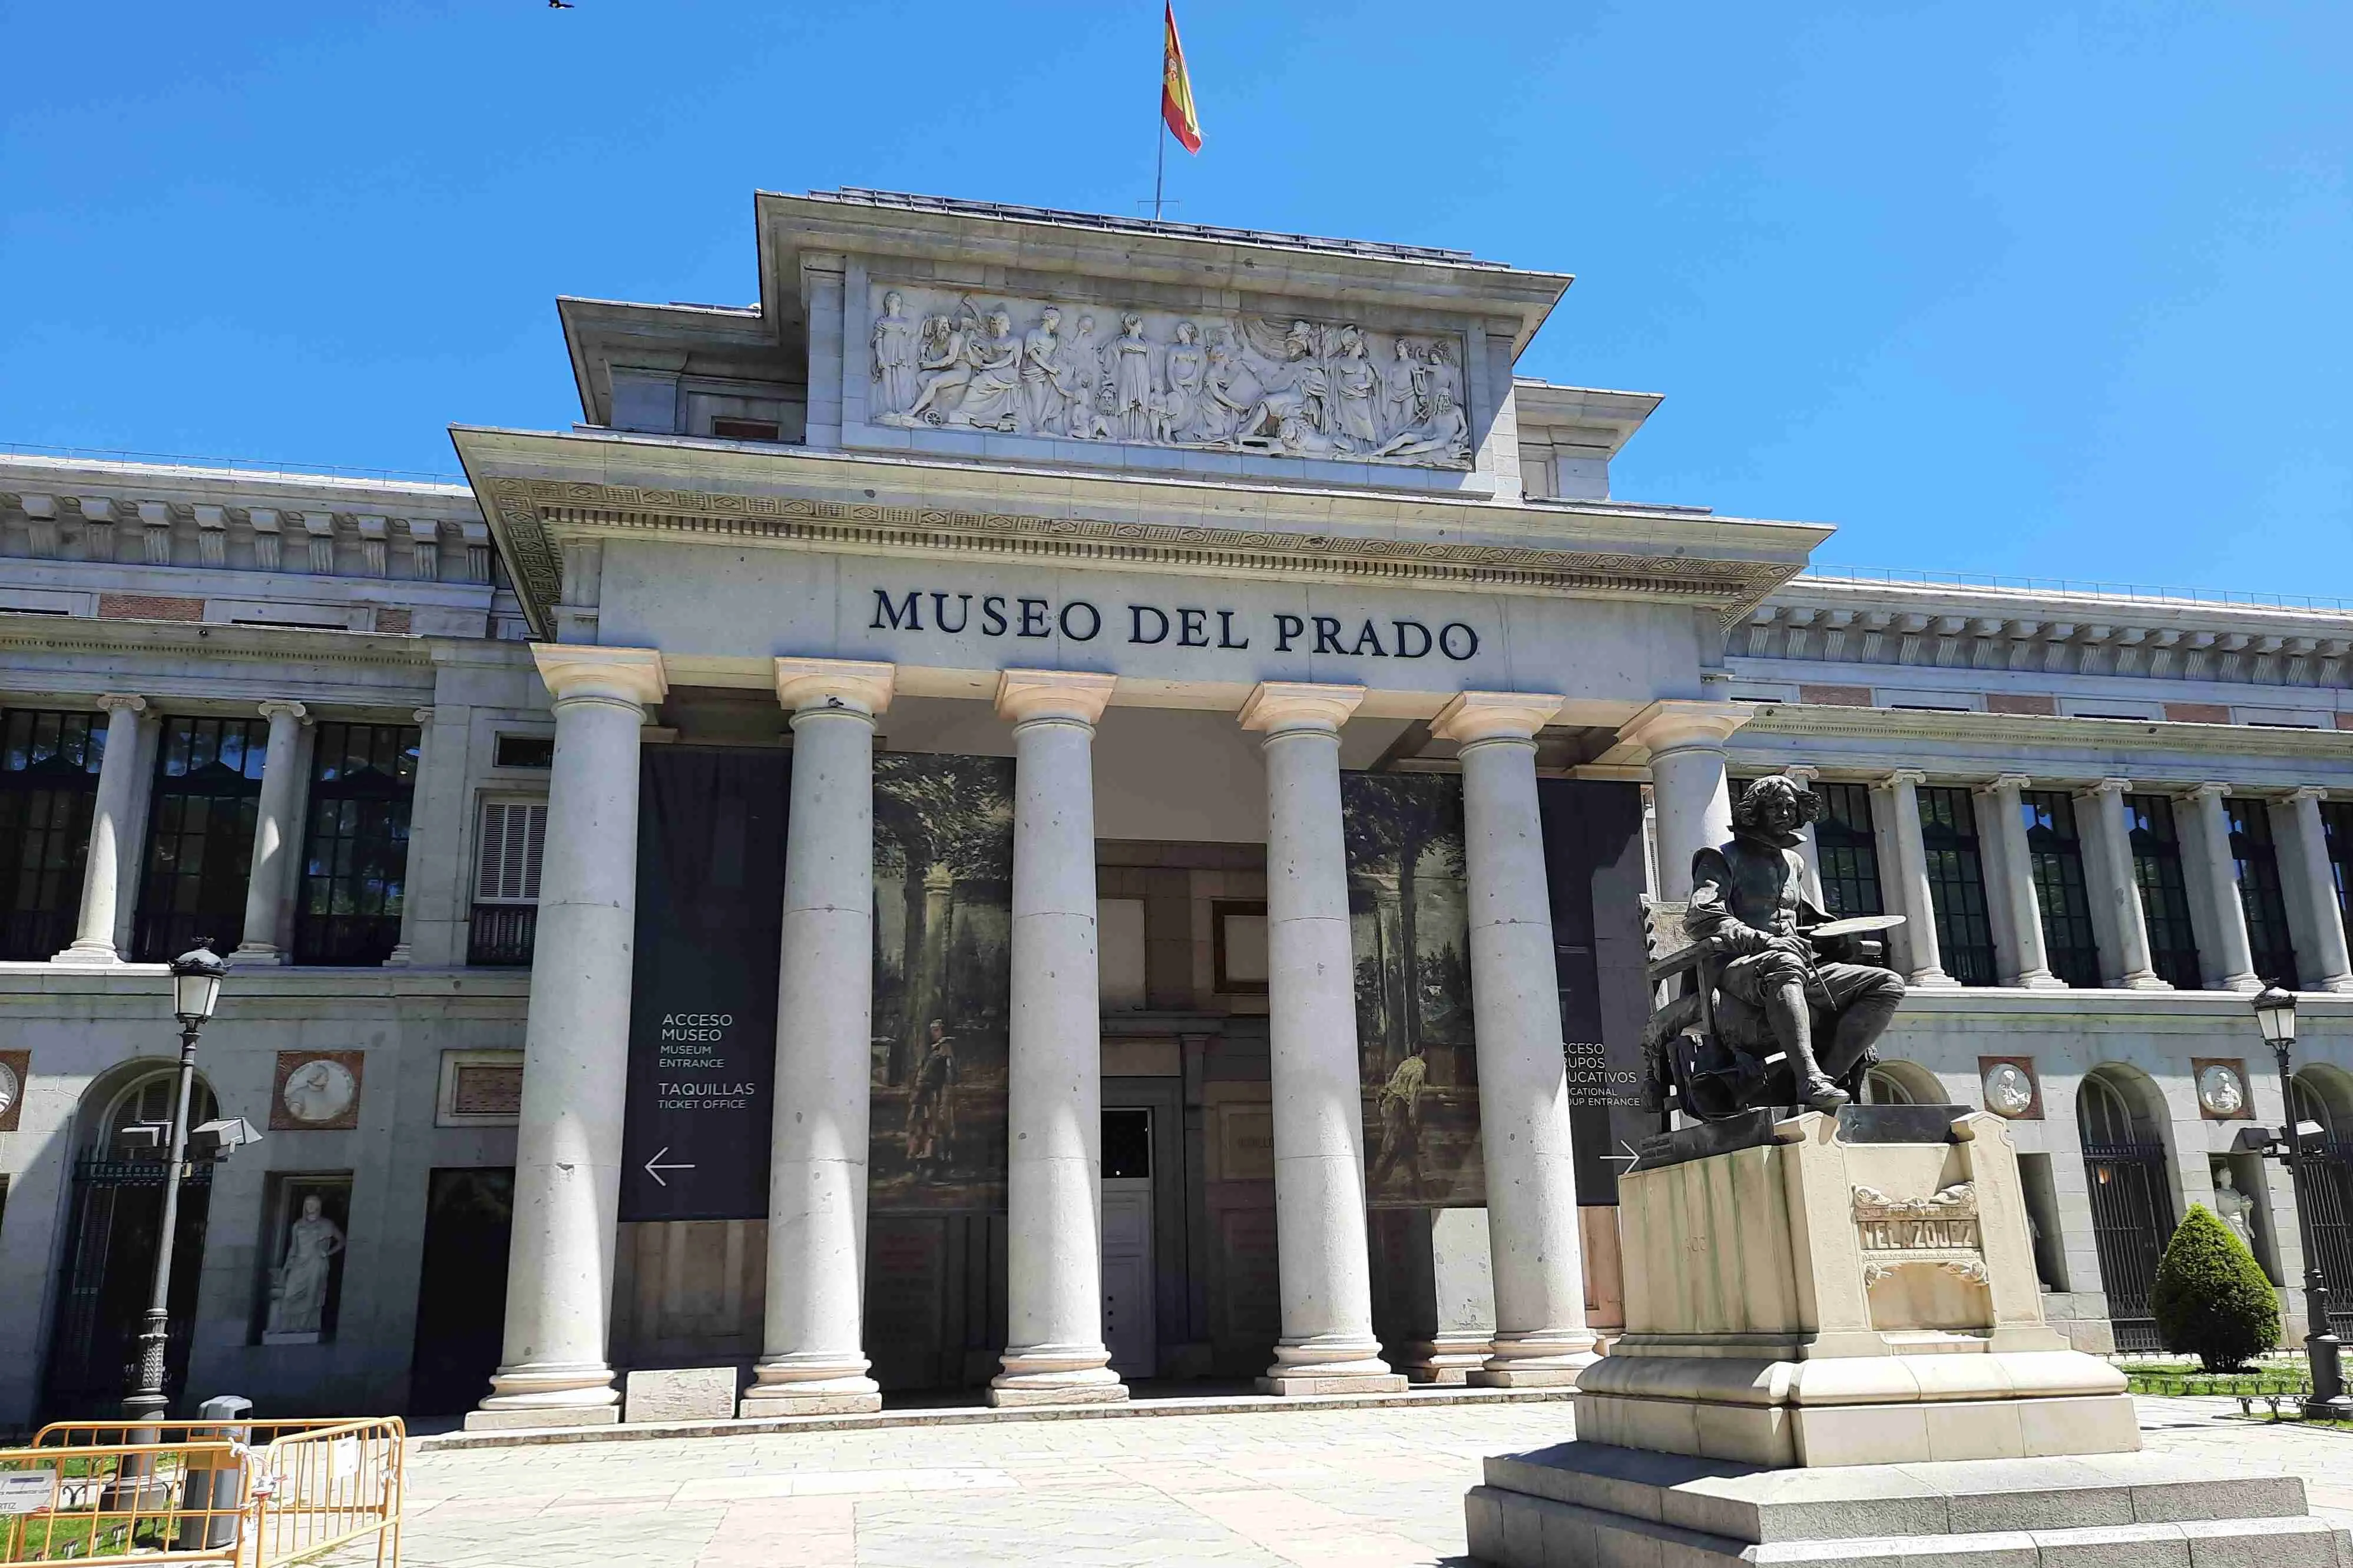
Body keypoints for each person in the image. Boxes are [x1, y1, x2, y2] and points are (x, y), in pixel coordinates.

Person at [1685, 775, 1907, 1110]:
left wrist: (1841, 937)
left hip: (1797, 966)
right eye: (1774, 806)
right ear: (1753, 812)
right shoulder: (1720, 857)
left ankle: (1823, 1080)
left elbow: (1807, 919)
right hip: (1736, 968)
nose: (1785, 813)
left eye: (1790, 806)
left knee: (1887, 983)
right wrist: (1764, 941)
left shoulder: (1793, 864)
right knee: (1784, 963)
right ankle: (1808, 1079)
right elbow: (1702, 916)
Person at [266, 1194, 345, 1338]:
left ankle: (305, 1326)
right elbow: (293, 1248)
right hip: (299, 1263)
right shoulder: (298, 1225)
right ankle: (286, 1325)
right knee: (289, 1294)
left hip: (316, 1263)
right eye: (308, 1204)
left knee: (312, 1295)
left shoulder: (326, 1224)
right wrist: (285, 1270)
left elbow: (342, 1241)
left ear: (318, 1206)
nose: (311, 1207)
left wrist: (327, 1253)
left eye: (313, 1204)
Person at [1368, 1049, 1430, 1197]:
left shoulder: (1405, 1063)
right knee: (1390, 1146)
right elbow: (1412, 1093)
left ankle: (1417, 1183)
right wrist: (1413, 1117)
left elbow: (1393, 1083)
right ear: (1423, 1052)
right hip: (1398, 1106)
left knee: (1407, 1143)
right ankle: (1373, 1183)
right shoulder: (1420, 1067)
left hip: (1389, 1103)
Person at [906, 1019, 958, 1171]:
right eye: (933, 1030)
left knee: (942, 1123)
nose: (934, 1033)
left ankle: (943, 1157)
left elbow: (951, 1073)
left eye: (937, 1030)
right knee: (926, 1122)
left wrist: (944, 1088)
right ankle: (925, 1155)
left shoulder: (945, 1049)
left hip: (940, 1091)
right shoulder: (933, 1049)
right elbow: (924, 1071)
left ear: (942, 1030)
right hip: (928, 1091)